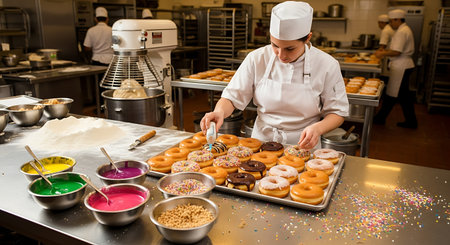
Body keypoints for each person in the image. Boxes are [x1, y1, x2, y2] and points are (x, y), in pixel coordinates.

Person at [200, 1, 349, 149]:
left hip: (303, 143)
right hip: (261, 142)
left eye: (290, 48)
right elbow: (232, 98)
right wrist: (219, 111)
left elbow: (337, 112)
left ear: (308, 38)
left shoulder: (327, 65)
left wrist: (318, 128)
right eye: (275, 45)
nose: (281, 55)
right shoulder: (257, 58)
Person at [374, 9, 418, 129]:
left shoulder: (402, 31)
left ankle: (381, 118)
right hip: (403, 65)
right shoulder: (404, 30)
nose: (390, 24)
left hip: (401, 66)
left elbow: (397, 52)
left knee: (395, 94)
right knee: (402, 95)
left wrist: (382, 54)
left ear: (397, 20)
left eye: (391, 21)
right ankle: (409, 120)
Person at [377, 14, 395, 80]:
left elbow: (382, 47)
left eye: (379, 23)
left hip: (388, 56)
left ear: (382, 23)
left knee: (385, 76)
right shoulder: (390, 29)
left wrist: (376, 55)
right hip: (390, 56)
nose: (378, 25)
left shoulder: (385, 30)